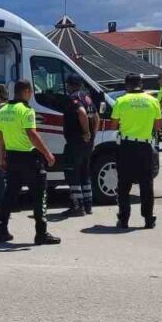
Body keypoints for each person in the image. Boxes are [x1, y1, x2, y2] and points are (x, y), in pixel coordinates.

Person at [0, 79, 60, 245]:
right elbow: (31, 134)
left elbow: (0, 138)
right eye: (31, 92)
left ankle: (1, 231)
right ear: (26, 92)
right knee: (39, 195)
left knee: (9, 195)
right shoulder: (26, 110)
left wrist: (2, 158)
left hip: (12, 157)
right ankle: (41, 233)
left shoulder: (2, 111)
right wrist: (48, 153)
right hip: (29, 158)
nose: (31, 95)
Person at [110, 72, 162, 230]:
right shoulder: (153, 101)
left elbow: (113, 125)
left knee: (124, 185)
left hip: (126, 147)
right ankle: (148, 220)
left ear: (127, 85)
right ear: (142, 84)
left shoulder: (121, 101)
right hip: (145, 147)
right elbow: (158, 126)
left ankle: (124, 220)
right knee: (146, 185)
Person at [60, 74, 98, 216]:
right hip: (87, 144)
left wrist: (86, 131)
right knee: (84, 173)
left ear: (70, 85)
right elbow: (96, 116)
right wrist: (92, 135)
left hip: (76, 141)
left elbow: (81, 113)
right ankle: (88, 205)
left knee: (72, 173)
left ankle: (77, 206)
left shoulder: (73, 98)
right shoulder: (87, 97)